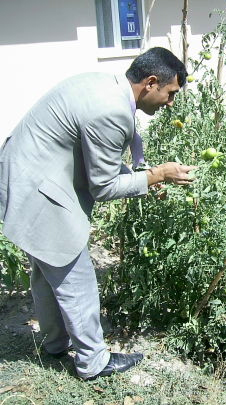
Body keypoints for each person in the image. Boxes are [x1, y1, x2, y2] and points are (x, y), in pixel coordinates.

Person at [0, 47, 197, 380]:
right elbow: (103, 187)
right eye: (170, 93)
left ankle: (54, 345)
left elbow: (100, 160)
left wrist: (144, 177)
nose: (170, 103)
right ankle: (93, 362)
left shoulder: (105, 86)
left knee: (45, 272)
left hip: (23, 174)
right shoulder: (112, 111)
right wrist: (156, 176)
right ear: (151, 83)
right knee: (75, 276)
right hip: (39, 188)